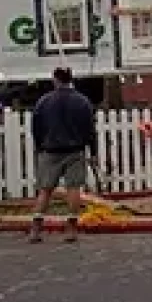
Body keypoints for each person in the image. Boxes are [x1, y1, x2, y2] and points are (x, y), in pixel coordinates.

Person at [29, 67, 98, 244]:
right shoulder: (83, 102)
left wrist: (39, 145)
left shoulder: (44, 101)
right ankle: (72, 227)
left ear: (55, 80)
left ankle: (36, 227)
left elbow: (36, 126)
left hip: (50, 150)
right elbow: (90, 129)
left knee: (45, 190)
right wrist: (93, 151)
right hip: (75, 150)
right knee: (73, 188)